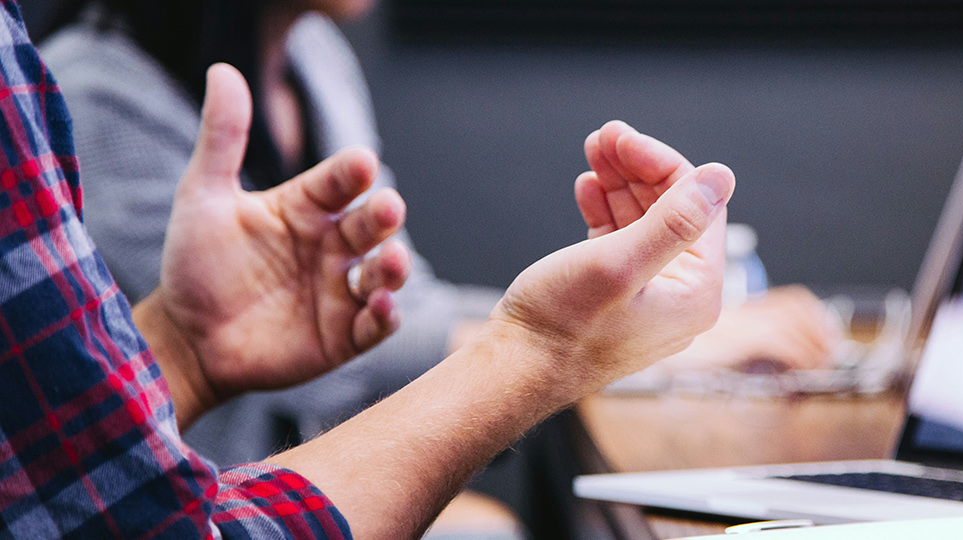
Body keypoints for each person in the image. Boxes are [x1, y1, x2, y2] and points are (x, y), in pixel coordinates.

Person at [0, 0, 739, 531]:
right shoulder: (92, 95)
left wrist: (186, 351)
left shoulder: (314, 58)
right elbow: (142, 521)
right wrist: (555, 345)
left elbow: (396, 300)